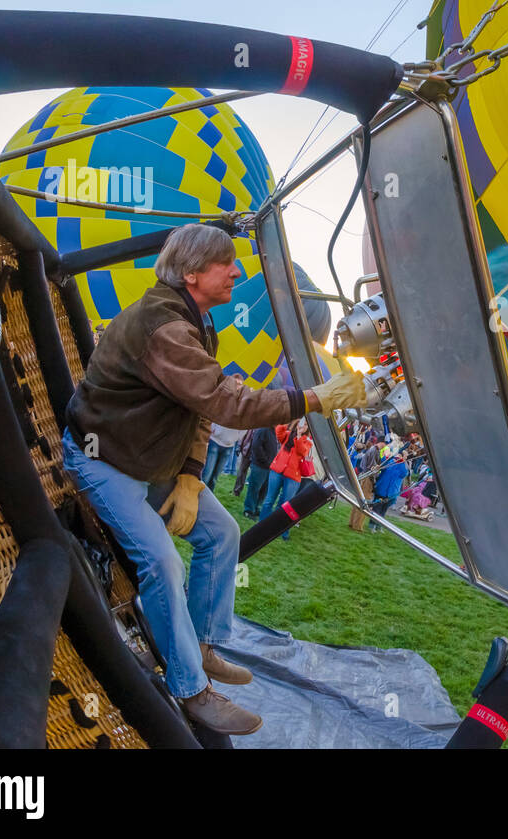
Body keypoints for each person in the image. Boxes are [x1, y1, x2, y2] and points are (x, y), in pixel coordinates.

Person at [62, 223, 364, 735]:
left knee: (221, 534)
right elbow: (228, 402)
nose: (238, 271)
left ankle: (200, 647)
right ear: (192, 272)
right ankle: (189, 688)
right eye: (227, 263)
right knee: (162, 563)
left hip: (150, 462)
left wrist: (190, 476)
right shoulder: (165, 328)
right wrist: (313, 398)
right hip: (103, 461)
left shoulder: (198, 325)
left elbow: (200, 412)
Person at [261, 420, 312, 537]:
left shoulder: (307, 442)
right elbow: (278, 431)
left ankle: (281, 531)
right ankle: (262, 526)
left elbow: (302, 451)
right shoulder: (288, 434)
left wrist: (299, 435)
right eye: (301, 423)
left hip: (293, 477)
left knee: (285, 505)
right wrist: (290, 420)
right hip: (277, 471)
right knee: (269, 500)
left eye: (305, 425)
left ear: (307, 428)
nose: (302, 426)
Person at [241, 425, 278, 520]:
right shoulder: (263, 428)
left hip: (268, 467)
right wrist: (265, 461)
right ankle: (248, 510)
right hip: (260, 466)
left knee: (263, 490)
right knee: (254, 489)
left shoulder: (273, 430)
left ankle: (257, 508)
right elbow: (256, 446)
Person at [201, 422, 243, 490]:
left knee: (214, 478)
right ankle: (199, 496)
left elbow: (244, 428)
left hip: (228, 446)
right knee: (206, 476)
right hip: (215, 441)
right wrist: (214, 429)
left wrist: (235, 438)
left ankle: (208, 498)